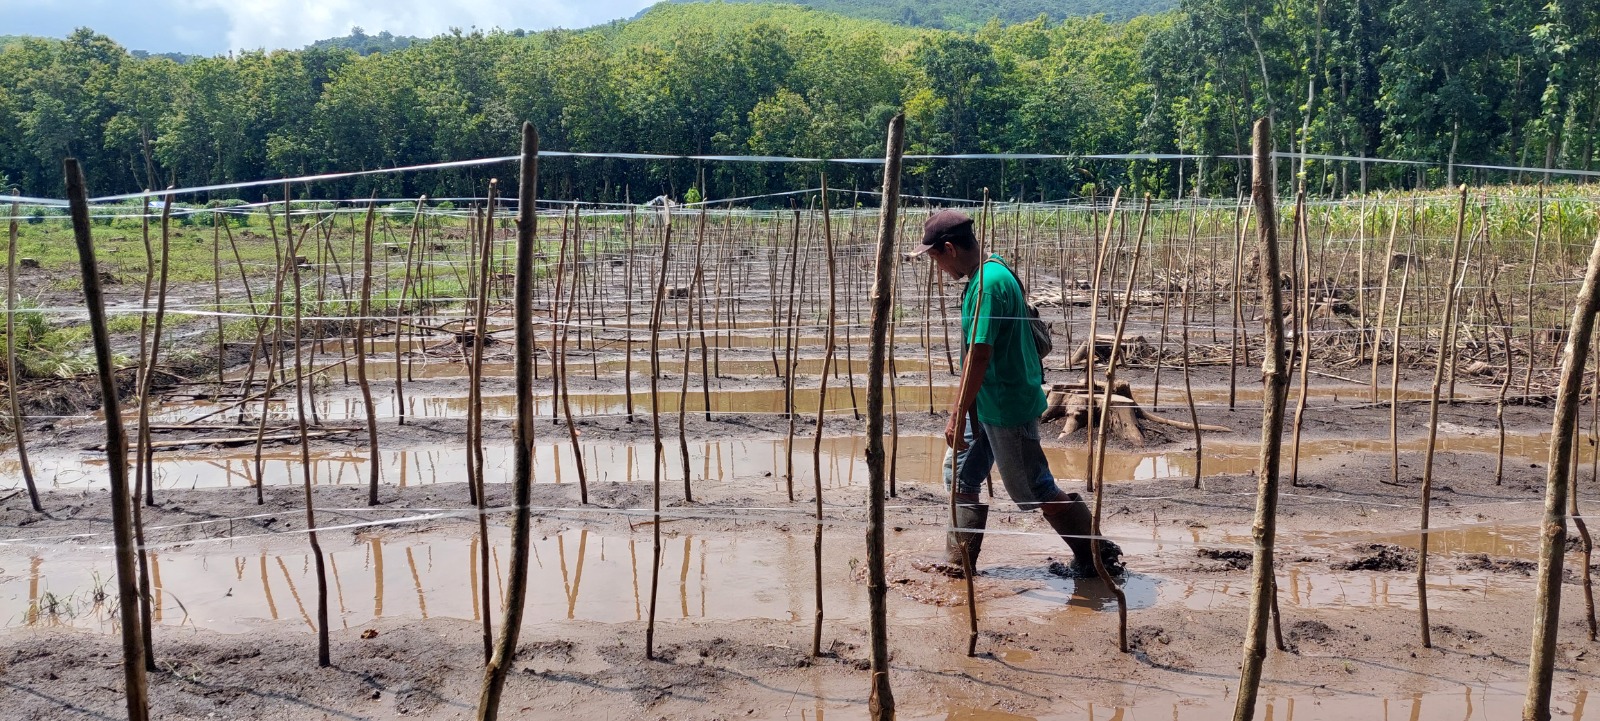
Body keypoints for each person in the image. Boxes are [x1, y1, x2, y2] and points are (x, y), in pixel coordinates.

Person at [910, 210, 1123, 578]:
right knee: (959, 473)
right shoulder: (991, 269)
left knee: (1034, 487)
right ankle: (958, 566)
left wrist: (957, 413)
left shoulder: (989, 284)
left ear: (949, 248)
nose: (937, 268)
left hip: (1006, 405)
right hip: (986, 401)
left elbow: (980, 352)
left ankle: (1097, 557)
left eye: (935, 258)